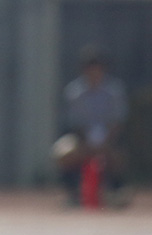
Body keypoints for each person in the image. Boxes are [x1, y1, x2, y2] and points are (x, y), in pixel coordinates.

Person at [54, 44, 129, 207]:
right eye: (90, 69)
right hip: (83, 139)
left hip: (109, 140)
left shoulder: (114, 91)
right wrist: (87, 144)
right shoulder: (74, 92)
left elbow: (117, 122)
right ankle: (72, 193)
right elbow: (75, 123)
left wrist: (105, 143)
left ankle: (116, 191)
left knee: (119, 155)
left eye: (97, 68)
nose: (94, 73)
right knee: (63, 152)